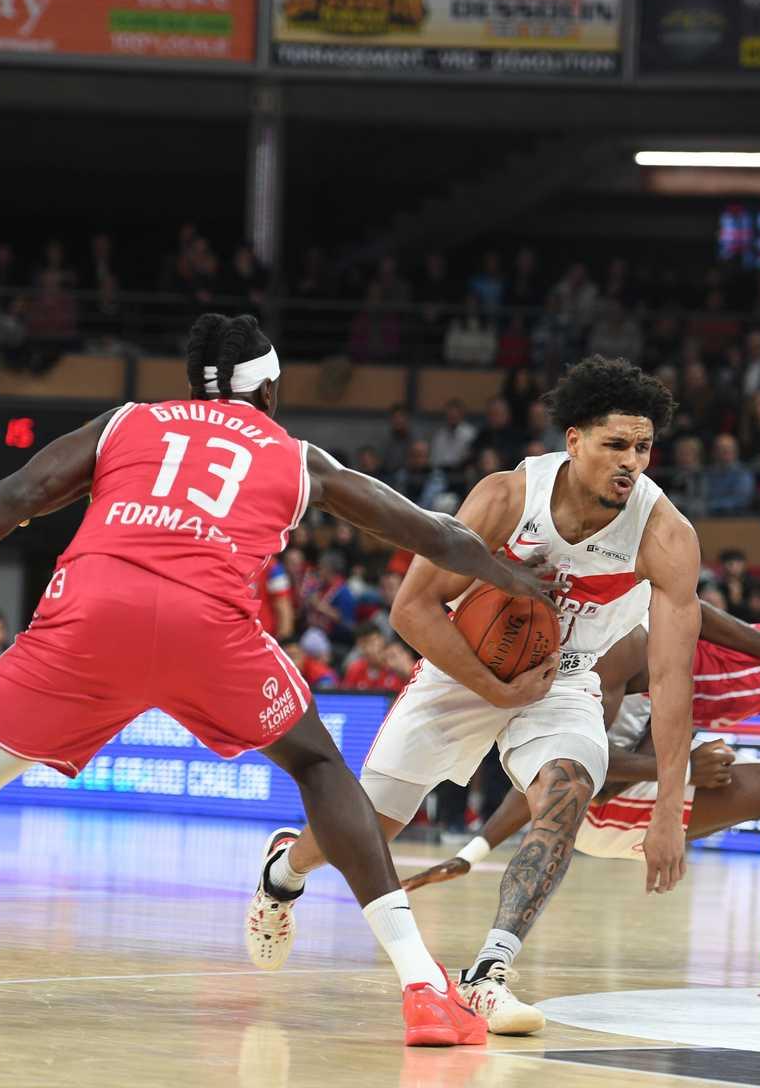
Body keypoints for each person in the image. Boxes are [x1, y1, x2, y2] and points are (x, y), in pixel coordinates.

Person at [0, 313, 553, 1048]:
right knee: (321, 768)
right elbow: (432, 533)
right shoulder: (298, 457)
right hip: (206, 628)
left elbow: (11, 496)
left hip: (86, 613)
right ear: (270, 392)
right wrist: (517, 581)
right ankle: (421, 989)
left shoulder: (127, 422)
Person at [251, 356, 702, 1036]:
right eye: (615, 445)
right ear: (574, 440)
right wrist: (495, 686)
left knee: (566, 794)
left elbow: (670, 677)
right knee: (368, 831)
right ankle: (283, 874)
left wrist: (670, 805)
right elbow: (413, 610)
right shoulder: (506, 497)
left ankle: (488, 973)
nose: (631, 462)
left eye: (642, 448)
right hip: (461, 668)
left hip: (565, 678)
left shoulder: (665, 534)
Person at [401, 603, 760, 977]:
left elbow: (708, 618)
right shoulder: (618, 646)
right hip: (603, 809)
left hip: (634, 779)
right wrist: (681, 771)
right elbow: (580, 778)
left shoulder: (654, 606)